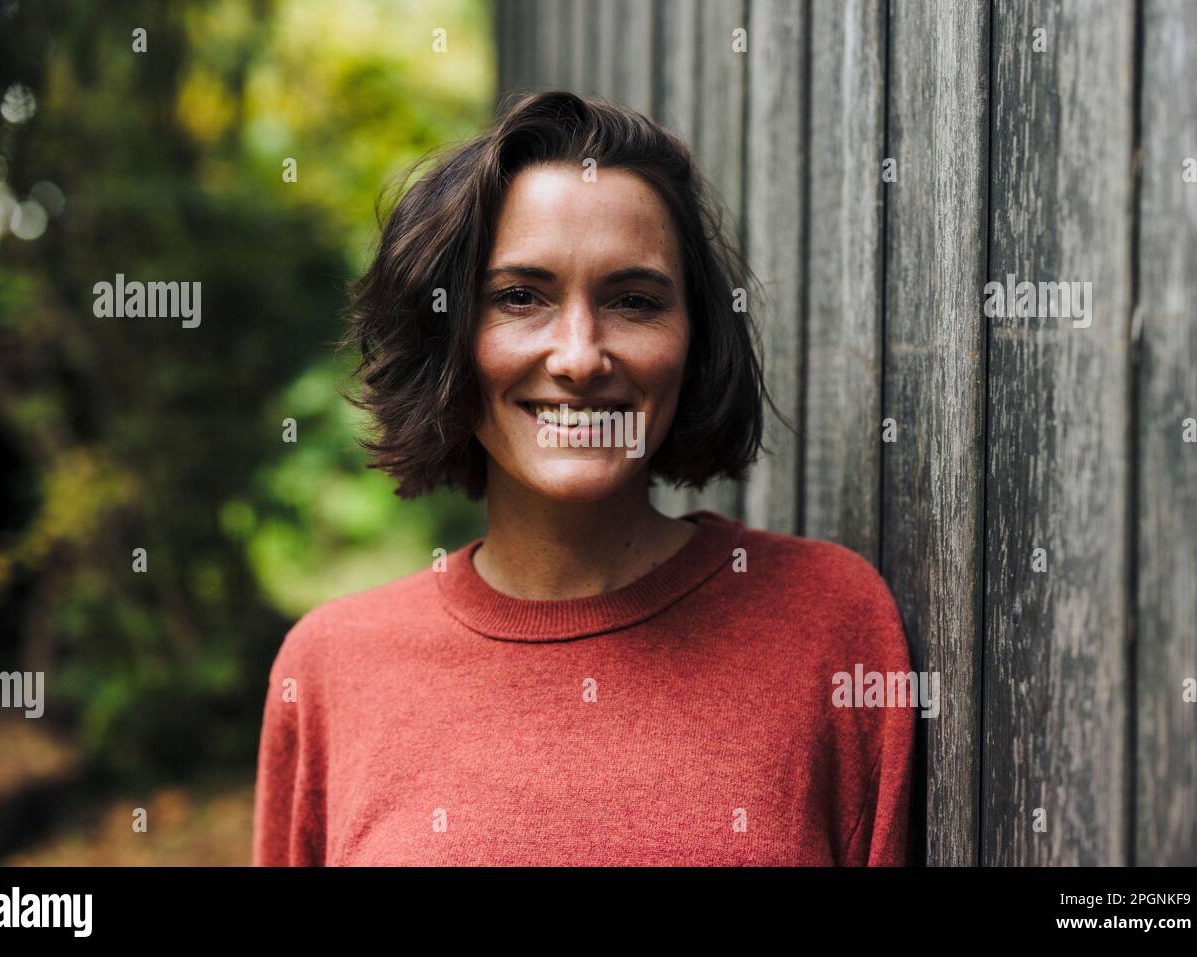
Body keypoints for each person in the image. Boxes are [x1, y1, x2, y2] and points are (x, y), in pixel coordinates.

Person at [252, 90, 915, 866]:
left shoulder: (829, 625)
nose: (578, 356)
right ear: (451, 339)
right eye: (519, 298)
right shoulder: (331, 665)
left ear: (696, 341)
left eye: (633, 301)